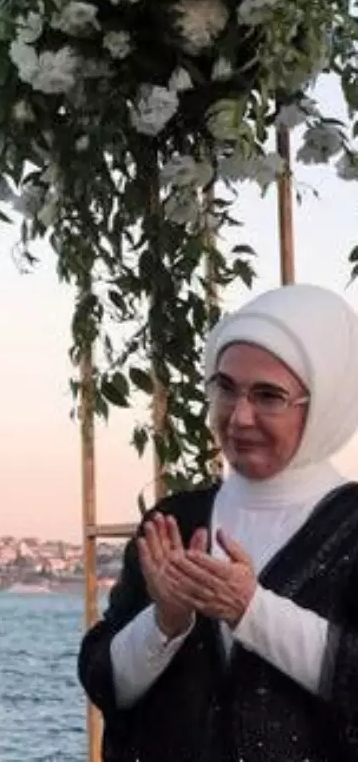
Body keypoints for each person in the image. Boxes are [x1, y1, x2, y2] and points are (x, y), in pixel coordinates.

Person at [78, 283, 358, 761]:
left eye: (268, 396)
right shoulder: (174, 520)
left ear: (326, 402)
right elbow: (106, 683)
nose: (240, 417)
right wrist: (164, 621)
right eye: (225, 388)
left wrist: (253, 611)